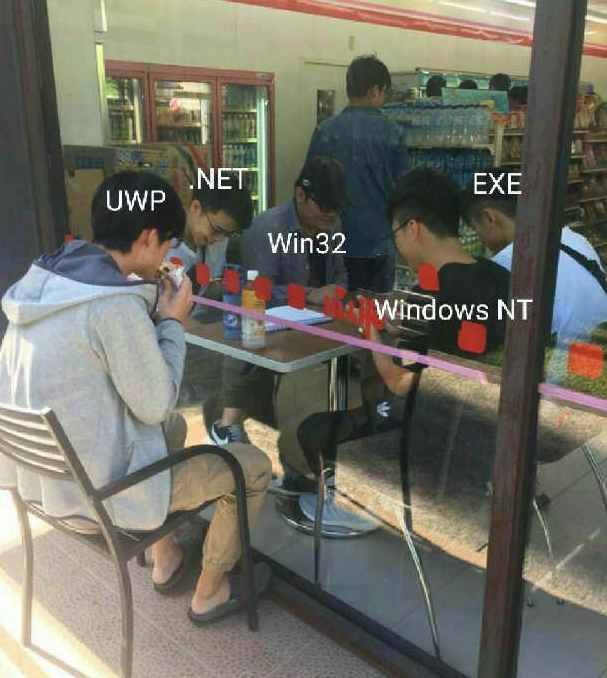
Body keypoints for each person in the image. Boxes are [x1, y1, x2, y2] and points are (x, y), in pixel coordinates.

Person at [0, 170, 272, 624]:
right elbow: (157, 401)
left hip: (45, 480)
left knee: (173, 429)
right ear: (146, 238)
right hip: (101, 495)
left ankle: (166, 557)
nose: (168, 254)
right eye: (167, 243)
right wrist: (172, 321)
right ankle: (210, 593)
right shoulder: (111, 305)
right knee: (253, 467)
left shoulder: (43, 282)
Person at [289, 168, 511, 529]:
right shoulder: (501, 277)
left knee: (312, 430)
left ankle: (360, 506)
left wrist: (371, 331)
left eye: (395, 233)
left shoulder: (429, 294)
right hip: (487, 444)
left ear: (413, 228)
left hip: (429, 451)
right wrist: (405, 326)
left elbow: (400, 381)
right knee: (364, 408)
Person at [207, 156, 351, 446]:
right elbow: (259, 291)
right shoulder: (267, 228)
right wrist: (309, 294)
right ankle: (228, 424)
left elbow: (340, 273)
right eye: (325, 207)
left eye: (337, 208)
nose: (332, 214)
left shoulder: (333, 225)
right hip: (270, 323)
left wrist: (337, 290)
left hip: (318, 320)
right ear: (300, 194)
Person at [461, 168, 607, 380]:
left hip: (560, 382)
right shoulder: (575, 239)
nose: (481, 238)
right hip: (597, 370)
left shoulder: (504, 267)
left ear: (489, 217)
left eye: (476, 228)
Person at [306, 55, 409, 292]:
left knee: (333, 308)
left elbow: (309, 187)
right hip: (379, 241)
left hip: (332, 241)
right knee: (377, 308)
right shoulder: (393, 132)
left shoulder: (324, 131)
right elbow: (404, 188)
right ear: (375, 90)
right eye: (385, 92)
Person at [167, 172, 253, 309]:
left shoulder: (219, 241)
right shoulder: (162, 242)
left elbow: (205, 294)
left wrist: (229, 286)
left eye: (227, 234)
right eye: (216, 230)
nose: (219, 239)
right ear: (196, 208)